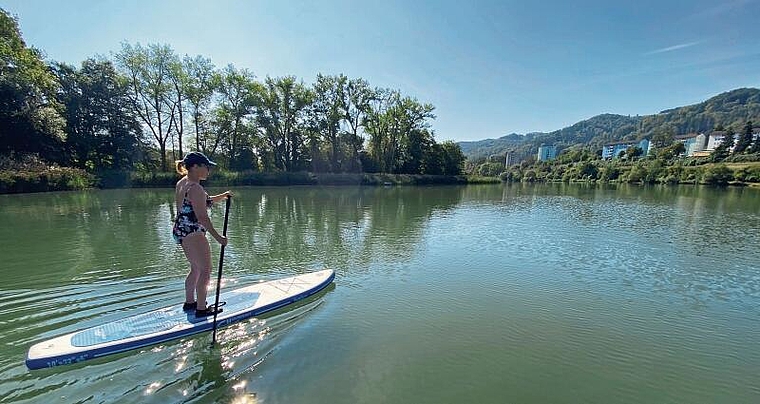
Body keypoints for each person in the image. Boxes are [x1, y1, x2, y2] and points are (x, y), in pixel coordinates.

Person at [173, 151, 232, 317]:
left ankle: (189, 303)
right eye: (206, 167)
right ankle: (201, 309)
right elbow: (202, 217)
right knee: (206, 270)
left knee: (196, 269)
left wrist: (223, 196)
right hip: (194, 233)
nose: (208, 170)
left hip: (181, 231)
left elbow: (204, 202)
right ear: (195, 167)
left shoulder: (183, 183)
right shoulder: (196, 188)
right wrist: (219, 237)